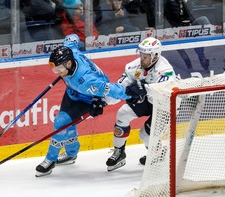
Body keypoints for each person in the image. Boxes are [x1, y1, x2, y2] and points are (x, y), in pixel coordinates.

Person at [35, 36, 130, 177]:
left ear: (68, 64)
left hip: (87, 98)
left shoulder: (86, 81)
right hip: (72, 93)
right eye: (54, 69)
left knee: (61, 122)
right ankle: (71, 154)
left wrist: (132, 94)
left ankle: (50, 159)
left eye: (58, 69)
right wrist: (74, 40)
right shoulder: (70, 50)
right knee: (67, 123)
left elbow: (113, 89)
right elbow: (72, 38)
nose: (56, 72)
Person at [105, 37, 176, 171]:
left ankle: (157, 154)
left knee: (145, 134)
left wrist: (144, 88)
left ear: (155, 56)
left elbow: (162, 95)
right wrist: (105, 100)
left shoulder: (165, 71)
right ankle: (119, 152)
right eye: (141, 55)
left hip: (166, 106)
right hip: (148, 101)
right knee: (122, 114)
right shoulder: (133, 66)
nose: (141, 59)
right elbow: (120, 88)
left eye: (145, 57)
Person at [164, 0, 210, 71]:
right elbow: (173, 18)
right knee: (179, 46)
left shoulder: (182, 2)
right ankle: (189, 65)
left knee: (203, 20)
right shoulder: (170, 2)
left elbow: (189, 15)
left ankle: (202, 58)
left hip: (184, 27)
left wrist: (190, 24)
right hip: (175, 29)